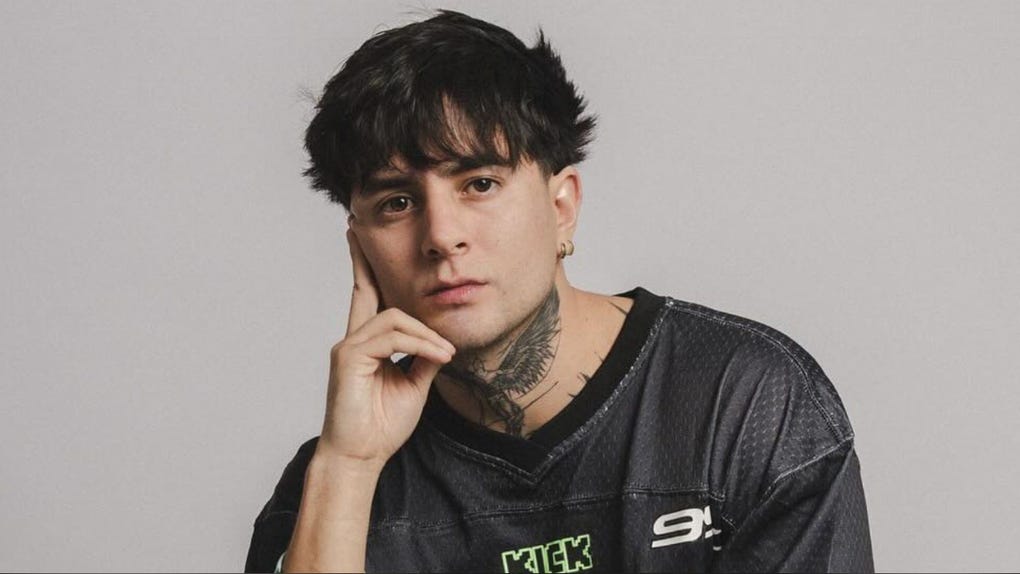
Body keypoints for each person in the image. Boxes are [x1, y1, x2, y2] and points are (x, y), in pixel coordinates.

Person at [244, 10, 874, 573]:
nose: (440, 236)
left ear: (562, 205)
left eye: (479, 184)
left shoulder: (746, 402)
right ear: (360, 247)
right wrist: (349, 467)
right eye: (397, 203)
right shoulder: (331, 487)